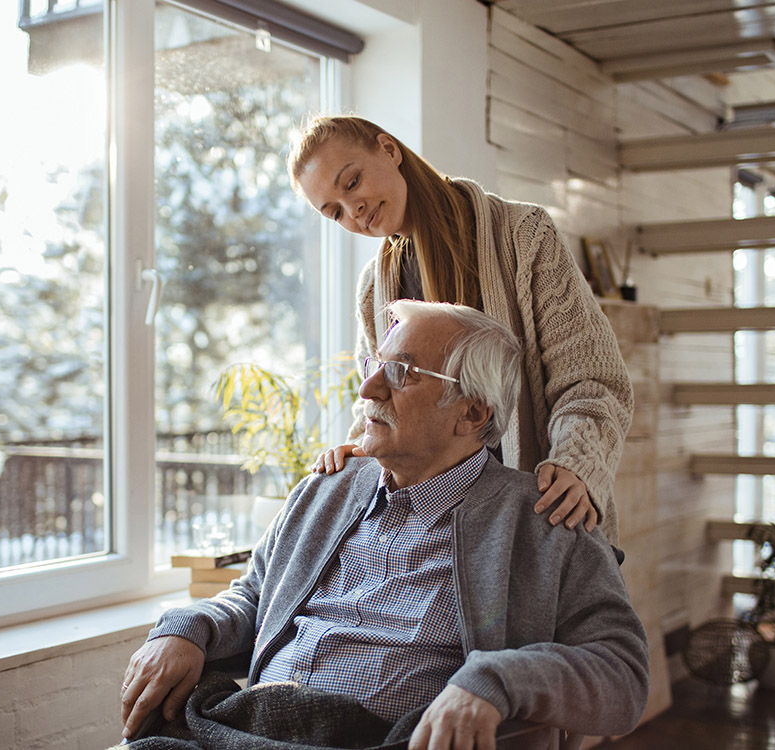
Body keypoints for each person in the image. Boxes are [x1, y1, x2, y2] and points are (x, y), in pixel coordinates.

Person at [118, 301, 649, 750]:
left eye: (402, 373)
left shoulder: (545, 520)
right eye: (376, 364)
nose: (369, 387)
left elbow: (622, 676)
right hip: (250, 730)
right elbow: (253, 599)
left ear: (471, 413)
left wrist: (497, 680)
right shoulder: (323, 490)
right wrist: (188, 629)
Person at [288, 115, 633, 544]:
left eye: (353, 181)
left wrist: (576, 463)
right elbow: (382, 393)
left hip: (542, 512)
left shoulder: (524, 237)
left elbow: (592, 381)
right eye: (334, 211)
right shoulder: (374, 287)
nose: (353, 210)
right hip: (435, 532)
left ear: (390, 150)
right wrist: (362, 446)